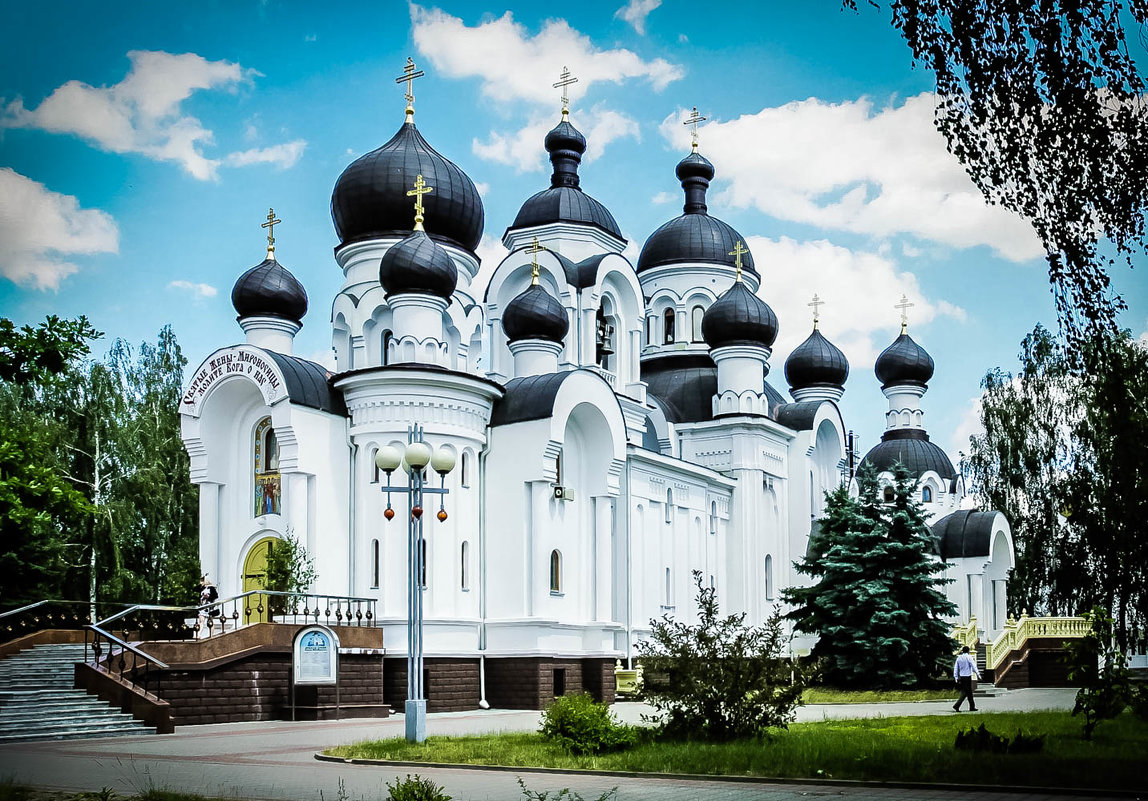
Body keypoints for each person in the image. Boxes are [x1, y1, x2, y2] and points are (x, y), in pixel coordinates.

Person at [953, 645, 980, 712]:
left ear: (962, 651)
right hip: (968, 677)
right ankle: (957, 705)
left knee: (969, 692)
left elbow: (956, 668)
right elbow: (974, 666)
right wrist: (978, 675)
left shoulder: (959, 658)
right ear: (968, 651)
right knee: (966, 692)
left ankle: (972, 707)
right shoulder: (969, 657)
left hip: (962, 677)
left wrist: (956, 677)